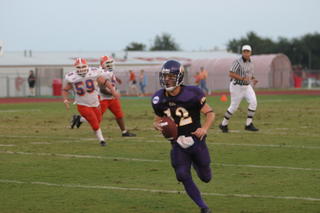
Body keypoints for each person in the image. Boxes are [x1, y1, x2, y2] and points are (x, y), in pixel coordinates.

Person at [152, 60, 215, 213]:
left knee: (206, 177)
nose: (167, 80)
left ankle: (196, 164)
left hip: (196, 140)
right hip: (177, 143)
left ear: (179, 77)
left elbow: (210, 113)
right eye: (165, 76)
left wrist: (204, 129)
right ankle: (203, 207)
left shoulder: (192, 93)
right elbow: (157, 119)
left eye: (171, 77)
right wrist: (157, 125)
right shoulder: (158, 98)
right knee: (181, 174)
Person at [71, 56, 136, 137]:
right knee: (96, 118)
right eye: (108, 63)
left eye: (111, 63)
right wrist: (114, 93)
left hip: (111, 98)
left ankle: (124, 132)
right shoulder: (101, 73)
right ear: (102, 64)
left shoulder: (108, 71)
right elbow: (102, 89)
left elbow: (110, 77)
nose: (111, 65)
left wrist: (117, 79)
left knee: (119, 115)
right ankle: (79, 119)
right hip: (102, 98)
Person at [62, 57, 119, 146]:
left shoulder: (93, 73)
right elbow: (65, 90)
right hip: (82, 104)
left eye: (83, 67)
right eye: (79, 68)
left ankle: (78, 119)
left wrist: (113, 90)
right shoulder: (73, 77)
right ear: (75, 68)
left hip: (95, 103)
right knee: (95, 124)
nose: (81, 69)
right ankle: (102, 140)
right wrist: (65, 99)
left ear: (87, 66)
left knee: (98, 120)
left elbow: (105, 81)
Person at [219, 45, 259, 133]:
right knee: (234, 107)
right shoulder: (237, 62)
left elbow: (249, 75)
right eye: (244, 51)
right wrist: (242, 78)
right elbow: (231, 74)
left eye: (247, 51)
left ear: (250, 53)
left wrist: (253, 79)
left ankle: (248, 124)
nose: (246, 53)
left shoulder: (251, 63)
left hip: (247, 86)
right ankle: (223, 124)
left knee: (253, 102)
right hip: (237, 86)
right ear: (242, 52)